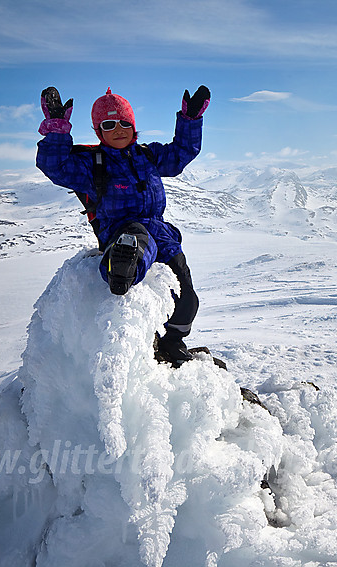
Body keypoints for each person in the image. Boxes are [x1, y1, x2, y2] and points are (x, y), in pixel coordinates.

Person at [36, 85, 210, 366]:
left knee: (187, 293)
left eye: (124, 122)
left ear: (133, 125)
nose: (118, 129)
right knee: (135, 241)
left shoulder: (149, 155)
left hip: (160, 231)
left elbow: (181, 152)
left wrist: (190, 120)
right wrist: (57, 129)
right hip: (119, 229)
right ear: (98, 131)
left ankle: (173, 340)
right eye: (109, 124)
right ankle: (119, 270)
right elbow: (55, 167)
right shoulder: (92, 163)